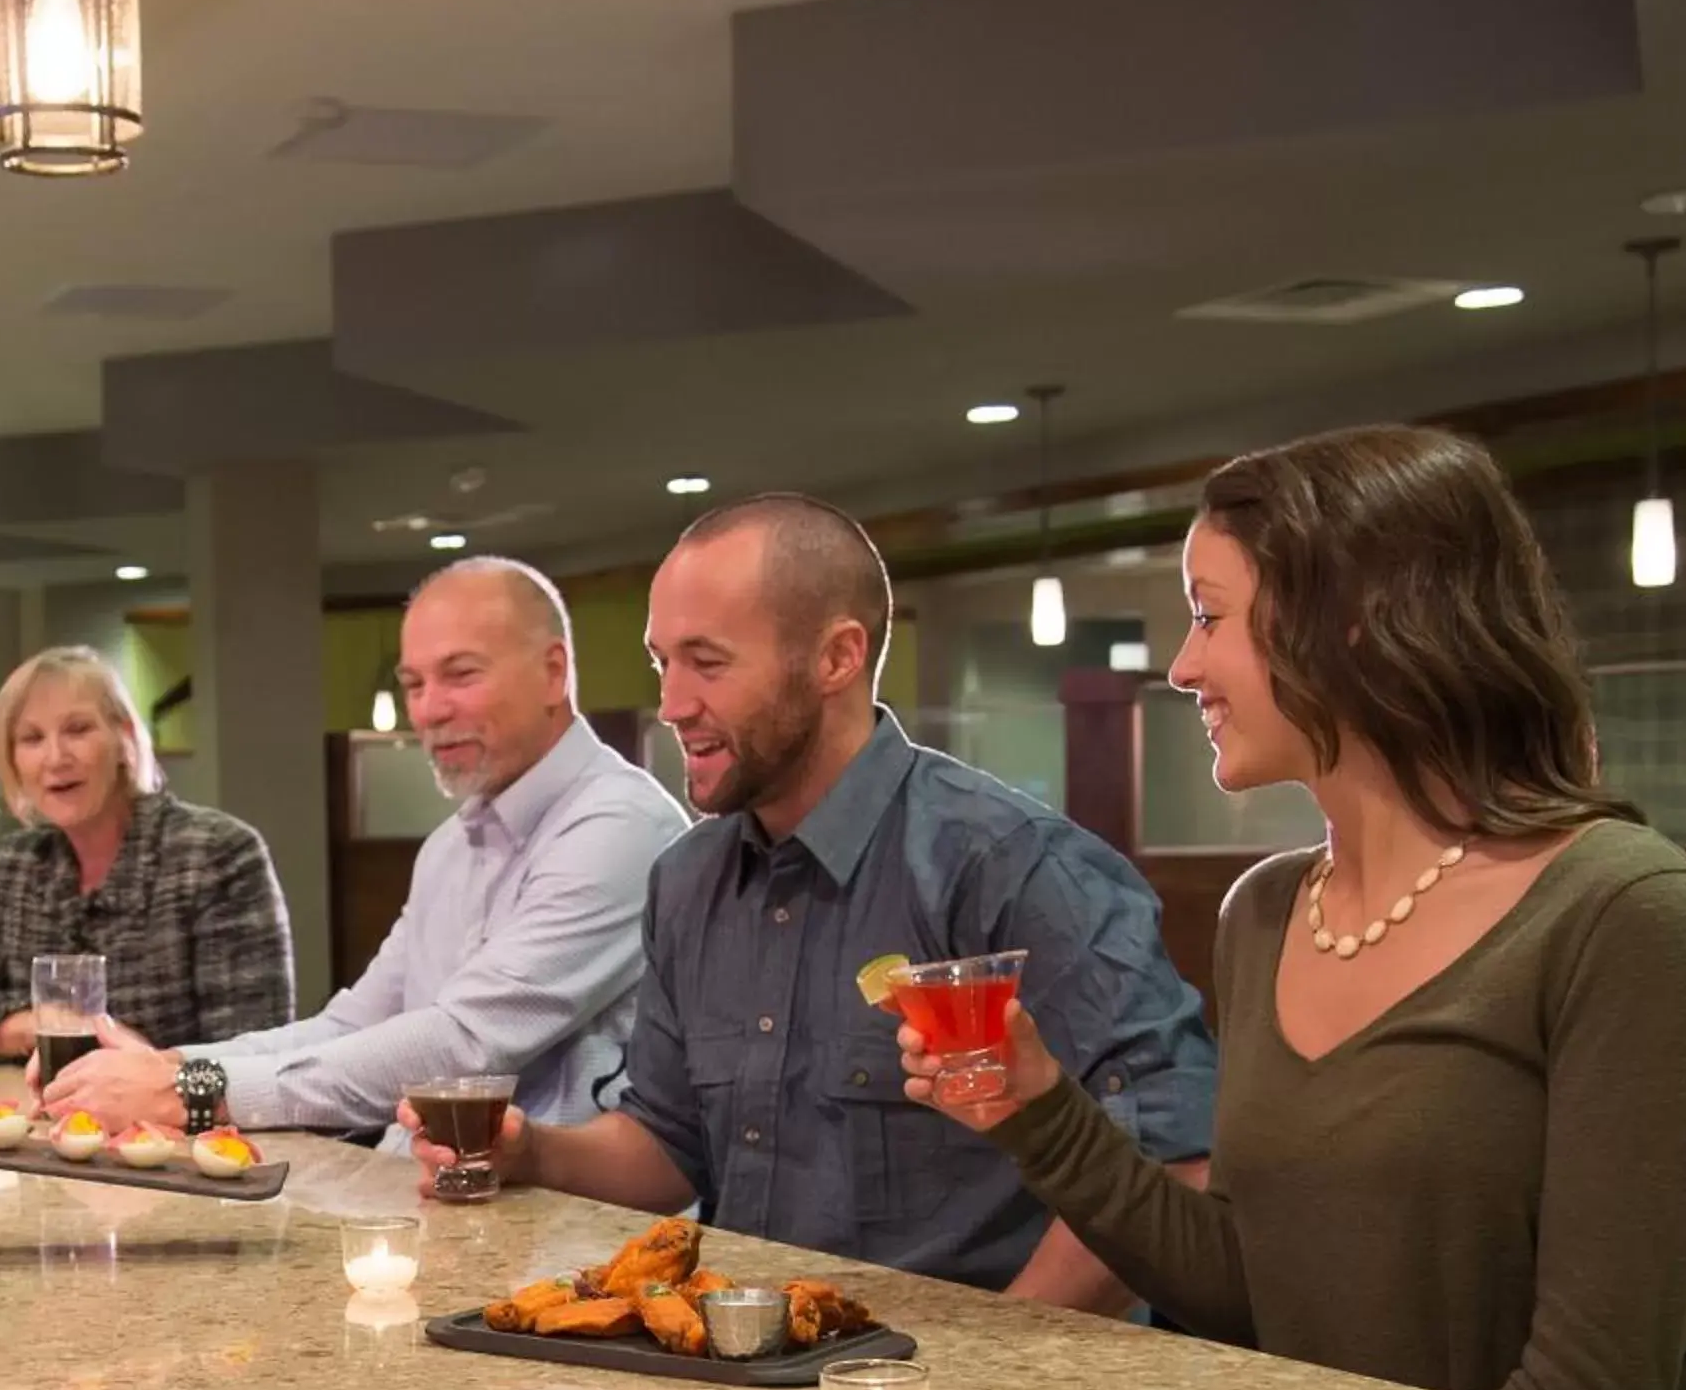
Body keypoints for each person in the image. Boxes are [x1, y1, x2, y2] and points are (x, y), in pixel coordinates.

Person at [897, 426, 1686, 1390]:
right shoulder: (1265, 912)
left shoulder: (1626, 911)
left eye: (1207, 615)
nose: (1182, 667)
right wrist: (1038, 1108)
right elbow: (1257, 1289)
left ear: (1352, 622)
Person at [408, 494, 1215, 1311]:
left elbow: (1168, 1156)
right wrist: (532, 1154)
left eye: (708, 663)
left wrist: (986, 1376)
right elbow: (667, 1145)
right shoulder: (687, 881)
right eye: (663, 664)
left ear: (837, 658)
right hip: (745, 1366)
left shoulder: (1007, 866)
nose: (674, 703)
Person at [45, 556, 686, 1139]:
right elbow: (351, 1026)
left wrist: (191, 1092)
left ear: (553, 673)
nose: (430, 709)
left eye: (460, 675)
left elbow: (465, 1046)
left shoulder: (620, 825)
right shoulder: (450, 845)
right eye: (414, 684)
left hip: (559, 1237)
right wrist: (166, 1066)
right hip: (429, 1204)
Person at [0, 646, 293, 1074]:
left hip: (184, 1134)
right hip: (46, 1125)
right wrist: (46, 1025)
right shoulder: (12, 863)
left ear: (124, 738)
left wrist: (152, 1070)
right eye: (32, 738)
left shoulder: (217, 854)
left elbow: (254, 1053)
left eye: (78, 729)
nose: (55, 758)